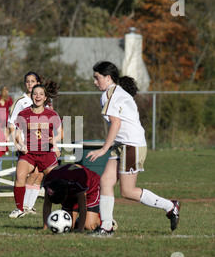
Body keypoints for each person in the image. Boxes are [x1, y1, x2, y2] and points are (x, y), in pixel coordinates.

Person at [86, 61, 180, 235]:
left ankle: (170, 205)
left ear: (108, 78)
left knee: (128, 191)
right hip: (122, 144)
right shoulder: (112, 92)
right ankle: (106, 227)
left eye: (97, 78)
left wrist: (104, 149)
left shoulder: (111, 94)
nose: (95, 82)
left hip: (131, 145)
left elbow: (115, 123)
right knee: (105, 182)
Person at [9, 79, 62, 218]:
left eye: (41, 94)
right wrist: (20, 144)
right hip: (29, 154)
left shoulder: (52, 114)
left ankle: (68, 208)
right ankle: (20, 209)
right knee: (20, 176)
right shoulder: (24, 114)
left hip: (46, 153)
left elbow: (61, 133)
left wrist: (54, 140)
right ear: (31, 96)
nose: (38, 96)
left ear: (45, 97)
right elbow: (16, 132)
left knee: (58, 183)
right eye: (35, 94)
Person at [7, 72, 44, 215]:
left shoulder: (42, 99)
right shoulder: (21, 101)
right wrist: (17, 142)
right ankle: (21, 206)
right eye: (27, 81)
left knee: (38, 175)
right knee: (24, 174)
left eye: (33, 81)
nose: (30, 84)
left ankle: (28, 206)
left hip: (40, 144)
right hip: (25, 144)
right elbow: (11, 124)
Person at [42, 163, 101, 233]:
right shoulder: (49, 180)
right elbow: (47, 204)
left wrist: (80, 230)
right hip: (70, 185)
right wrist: (45, 227)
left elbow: (83, 207)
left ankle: (104, 221)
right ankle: (79, 220)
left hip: (91, 188)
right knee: (70, 226)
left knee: (88, 226)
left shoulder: (79, 179)